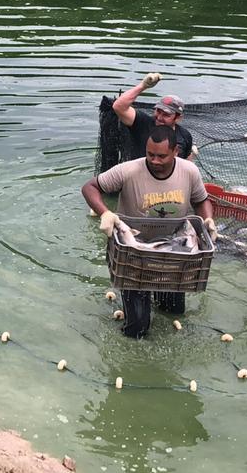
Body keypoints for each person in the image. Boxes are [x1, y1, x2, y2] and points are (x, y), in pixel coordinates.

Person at [82, 126, 215, 338]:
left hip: (172, 251)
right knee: (137, 329)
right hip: (134, 252)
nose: (154, 160)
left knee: (172, 312)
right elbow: (90, 187)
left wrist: (207, 219)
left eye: (161, 156)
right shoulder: (128, 170)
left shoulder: (189, 171)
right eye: (150, 154)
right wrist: (105, 212)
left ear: (175, 152)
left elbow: (201, 200)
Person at [112, 72, 195, 161]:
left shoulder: (185, 136)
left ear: (178, 118)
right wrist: (143, 85)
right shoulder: (143, 123)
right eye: (158, 111)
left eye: (166, 115)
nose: (159, 117)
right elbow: (118, 107)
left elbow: (187, 162)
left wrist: (191, 156)